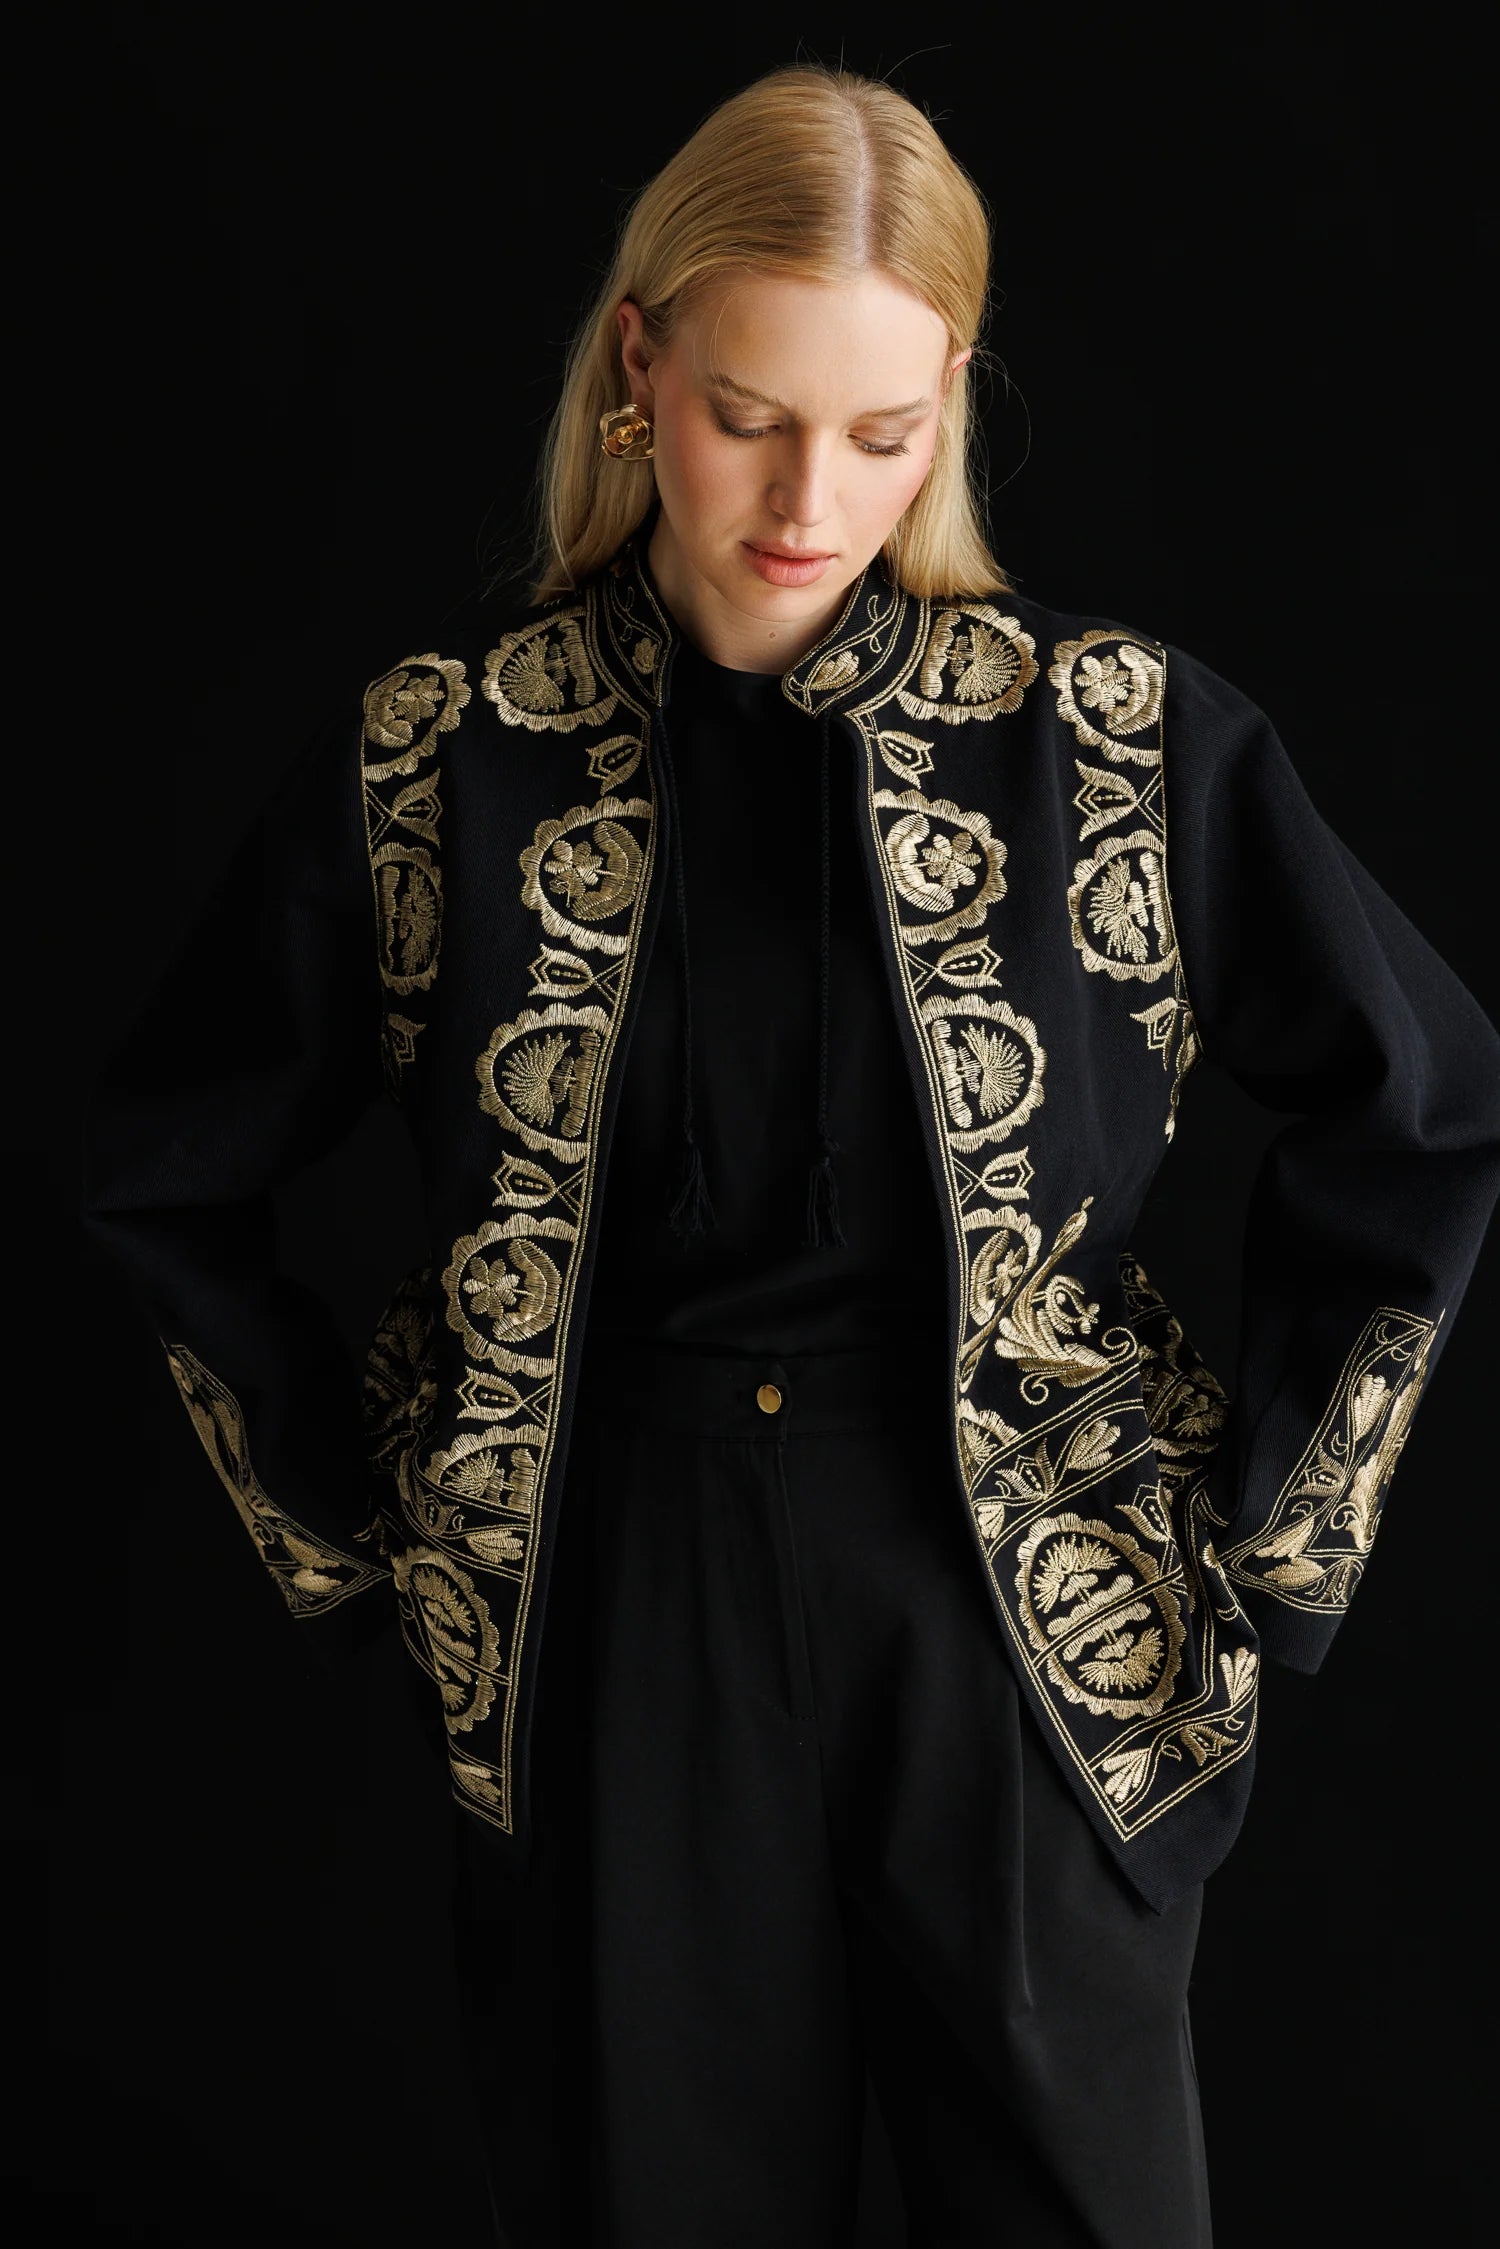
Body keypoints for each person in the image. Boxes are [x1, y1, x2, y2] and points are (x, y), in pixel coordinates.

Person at [81, 62, 1500, 2249]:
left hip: (1016, 1608)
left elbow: (1425, 1106)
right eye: (749, 415)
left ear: (956, 402)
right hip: (617, 1599)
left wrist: (1264, 1549)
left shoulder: (1116, 739)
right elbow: (168, 1163)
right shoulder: (439, 756)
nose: (806, 499)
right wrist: (370, 1541)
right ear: (638, 366)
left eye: (883, 430)